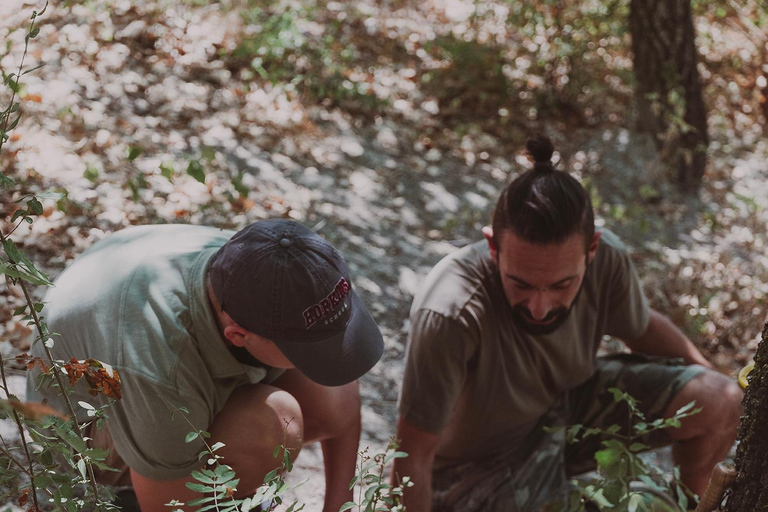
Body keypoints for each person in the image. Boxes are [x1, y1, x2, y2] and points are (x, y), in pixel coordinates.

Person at [391, 135, 743, 511]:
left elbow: (641, 329)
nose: (540, 307)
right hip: (474, 467)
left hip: (565, 409)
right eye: (520, 283)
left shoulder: (607, 262)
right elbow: (412, 453)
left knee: (719, 403)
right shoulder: (451, 310)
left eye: (562, 285)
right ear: (493, 248)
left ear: (592, 249)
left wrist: (719, 386)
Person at [26, 218, 384, 512]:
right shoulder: (158, 362)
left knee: (333, 395)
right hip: (90, 435)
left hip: (166, 380)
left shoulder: (262, 266)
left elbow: (340, 389)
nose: (324, 354)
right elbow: (161, 505)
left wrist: (340, 504)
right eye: (307, 348)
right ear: (239, 336)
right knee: (273, 423)